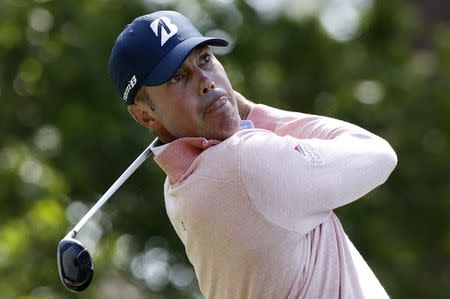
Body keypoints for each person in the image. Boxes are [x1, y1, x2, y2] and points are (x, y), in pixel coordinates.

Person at [108, 10, 397, 299]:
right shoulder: (245, 162)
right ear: (145, 117)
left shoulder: (177, 190)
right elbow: (377, 153)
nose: (206, 81)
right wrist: (253, 112)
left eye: (205, 59)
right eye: (177, 77)